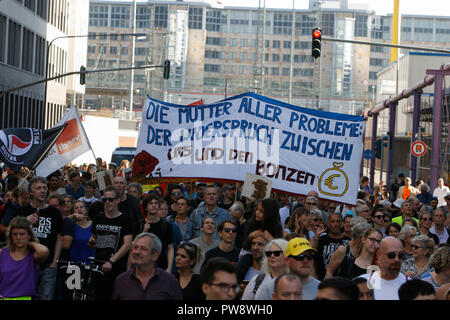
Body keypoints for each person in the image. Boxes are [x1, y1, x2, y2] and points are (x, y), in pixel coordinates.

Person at [19, 177, 63, 300]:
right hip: (26, 263)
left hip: (48, 265)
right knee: (25, 296)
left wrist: (55, 261)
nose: (43, 191)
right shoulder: (23, 211)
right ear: (31, 192)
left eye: (44, 188)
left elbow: (59, 238)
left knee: (46, 297)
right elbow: (13, 235)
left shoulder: (54, 212)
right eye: (39, 188)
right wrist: (25, 221)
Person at [89, 186, 133, 300]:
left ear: (118, 200)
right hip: (99, 266)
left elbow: (127, 244)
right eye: (105, 199)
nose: (107, 202)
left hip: (116, 267)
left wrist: (111, 261)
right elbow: (94, 237)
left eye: (111, 199)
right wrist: (91, 242)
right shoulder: (98, 218)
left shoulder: (126, 220)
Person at [112, 232, 183, 300]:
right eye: (135, 247)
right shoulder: (122, 280)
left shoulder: (169, 281)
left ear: (155, 255)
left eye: (143, 249)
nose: (137, 252)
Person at [255, 237, 321, 300]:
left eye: (310, 256)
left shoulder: (322, 289)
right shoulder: (269, 288)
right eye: (300, 257)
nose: (305, 261)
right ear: (287, 260)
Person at [0, 216, 49, 300]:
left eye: (22, 234)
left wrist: (29, 243)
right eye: (15, 234)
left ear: (29, 235)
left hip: (26, 297)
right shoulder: (2, 253)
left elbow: (44, 251)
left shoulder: (34, 255)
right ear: (11, 236)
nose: (18, 238)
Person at [138, 194, 174, 272]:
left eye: (156, 203)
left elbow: (170, 248)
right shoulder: (139, 224)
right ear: (146, 207)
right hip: (143, 265)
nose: (154, 205)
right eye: (151, 203)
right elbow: (134, 247)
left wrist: (169, 268)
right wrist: (144, 231)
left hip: (161, 265)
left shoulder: (166, 225)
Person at [315, 212, 351, 280]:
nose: (335, 224)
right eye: (333, 221)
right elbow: (315, 259)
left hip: (342, 281)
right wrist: (316, 236)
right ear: (328, 224)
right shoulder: (322, 239)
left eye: (338, 221)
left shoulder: (348, 241)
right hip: (323, 280)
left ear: (341, 224)